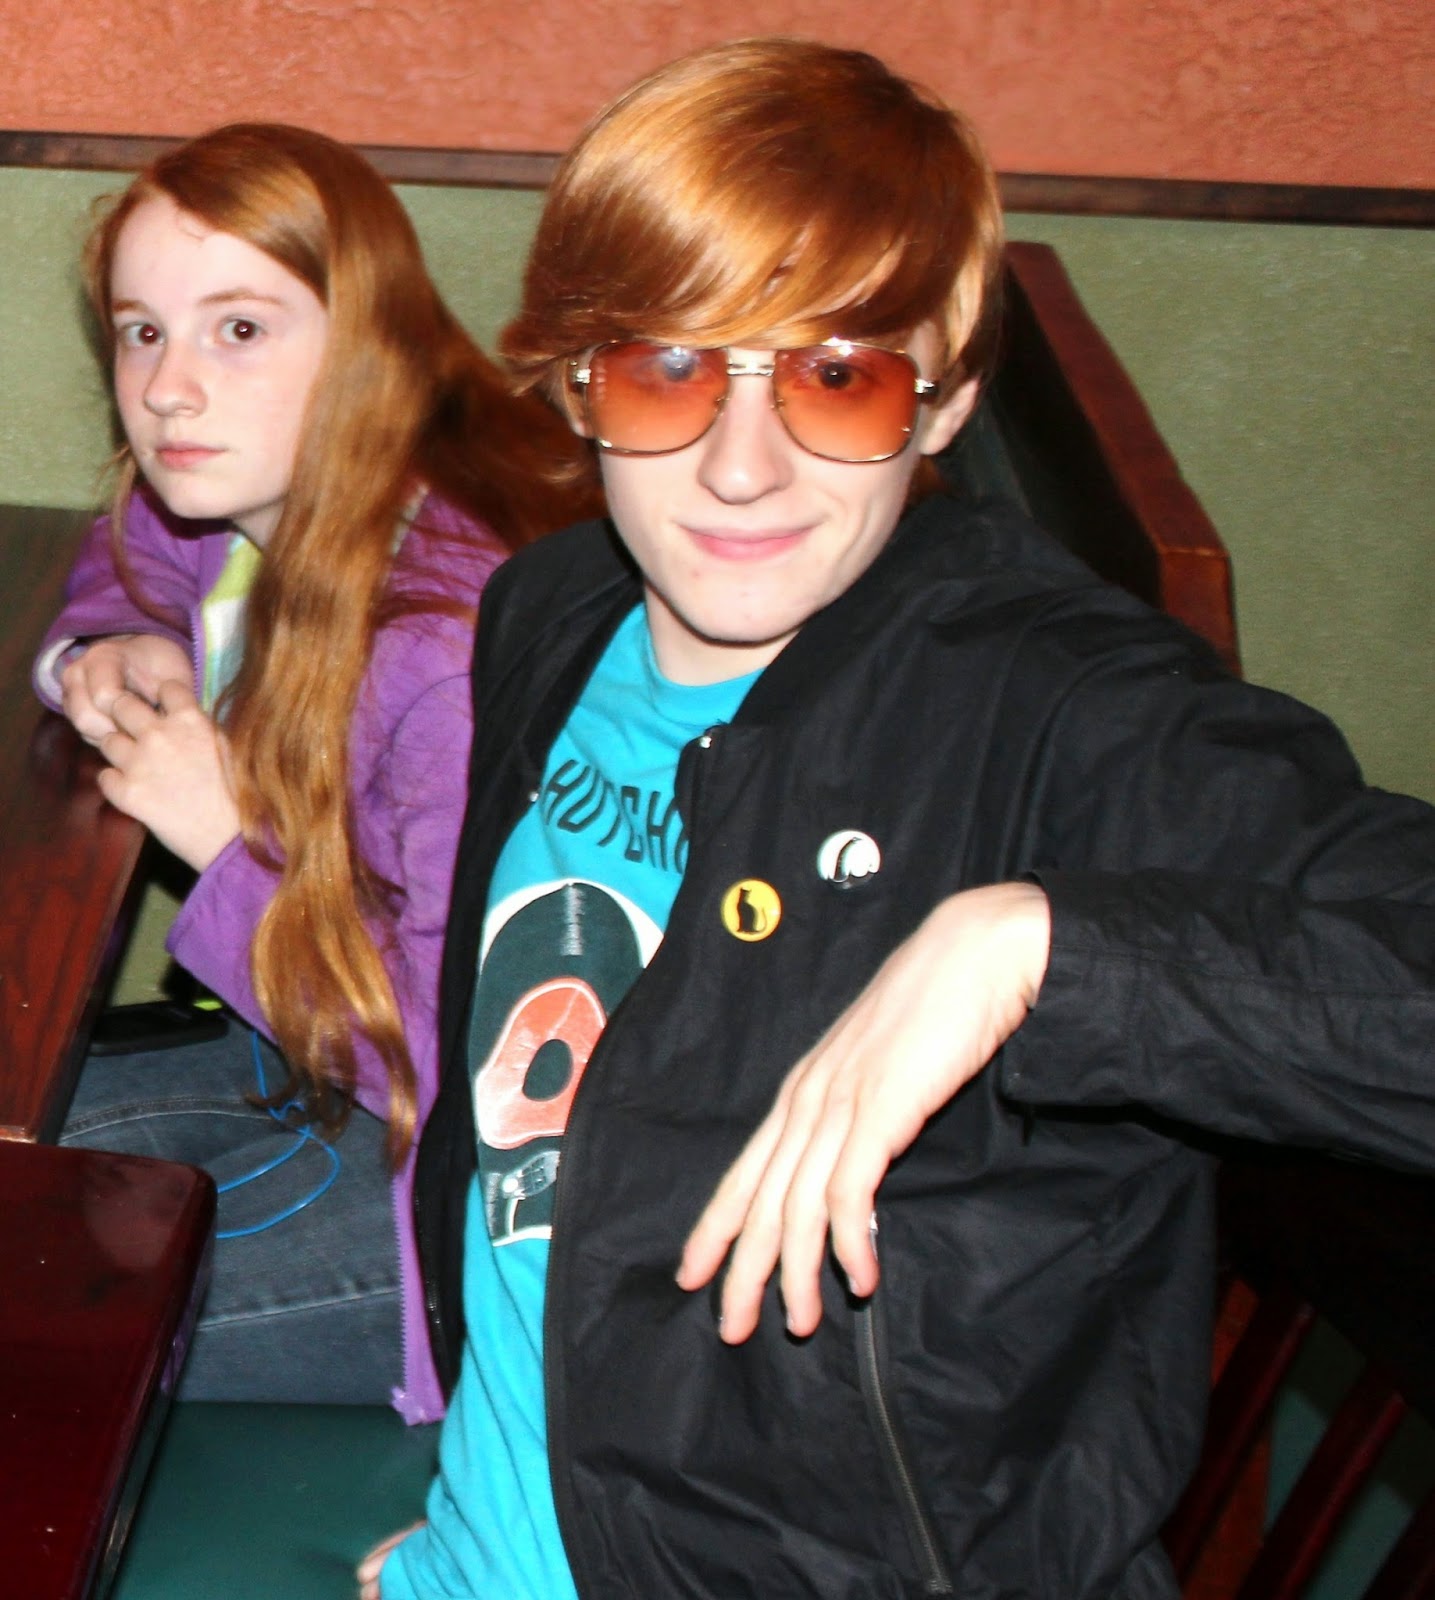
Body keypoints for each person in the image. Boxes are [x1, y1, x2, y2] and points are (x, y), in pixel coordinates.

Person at [365, 37, 1435, 1599]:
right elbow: (531, 1173)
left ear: (946, 401)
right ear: (576, 382)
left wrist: (1043, 950)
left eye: (836, 376)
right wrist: (484, 1512)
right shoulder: (554, 610)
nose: (740, 469)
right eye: (669, 368)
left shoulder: (1061, 707)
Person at [33, 122, 592, 1422]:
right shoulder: (271, 494)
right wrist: (106, 646)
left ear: (366, 343)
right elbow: (129, 550)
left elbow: (483, 1078)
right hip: (312, 1053)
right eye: (141, 330)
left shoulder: (445, 655)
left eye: (239, 329)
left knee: (26, 1311)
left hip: (479, 1221)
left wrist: (227, 846)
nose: (170, 390)